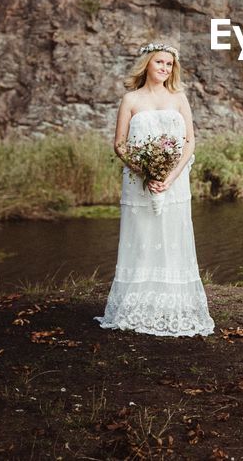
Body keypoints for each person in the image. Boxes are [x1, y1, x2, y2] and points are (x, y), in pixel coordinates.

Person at [94, 41, 215, 337]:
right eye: (160, 62)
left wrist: (169, 177)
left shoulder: (179, 98)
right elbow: (120, 144)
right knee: (143, 236)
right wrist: (145, 172)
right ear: (147, 63)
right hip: (139, 182)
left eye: (169, 64)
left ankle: (174, 306)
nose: (164, 68)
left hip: (175, 181)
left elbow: (189, 142)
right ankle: (136, 306)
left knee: (173, 236)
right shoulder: (131, 100)